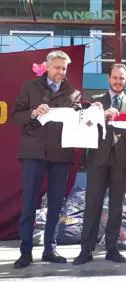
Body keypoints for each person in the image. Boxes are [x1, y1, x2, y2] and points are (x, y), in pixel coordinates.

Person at [12, 50, 85, 269]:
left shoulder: (73, 93)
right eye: (57, 67)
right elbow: (17, 117)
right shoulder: (30, 87)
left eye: (64, 68)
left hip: (61, 155)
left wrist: (90, 111)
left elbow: (80, 119)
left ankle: (50, 249)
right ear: (47, 66)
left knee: (55, 203)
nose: (61, 72)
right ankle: (25, 251)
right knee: (29, 203)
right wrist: (33, 113)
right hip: (33, 152)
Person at [73, 63, 126, 265]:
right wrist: (96, 115)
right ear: (109, 79)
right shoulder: (95, 102)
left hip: (122, 162)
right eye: (115, 77)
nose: (118, 81)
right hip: (97, 161)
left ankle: (112, 249)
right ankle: (86, 250)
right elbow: (82, 123)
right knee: (92, 205)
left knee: (116, 208)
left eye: (122, 78)